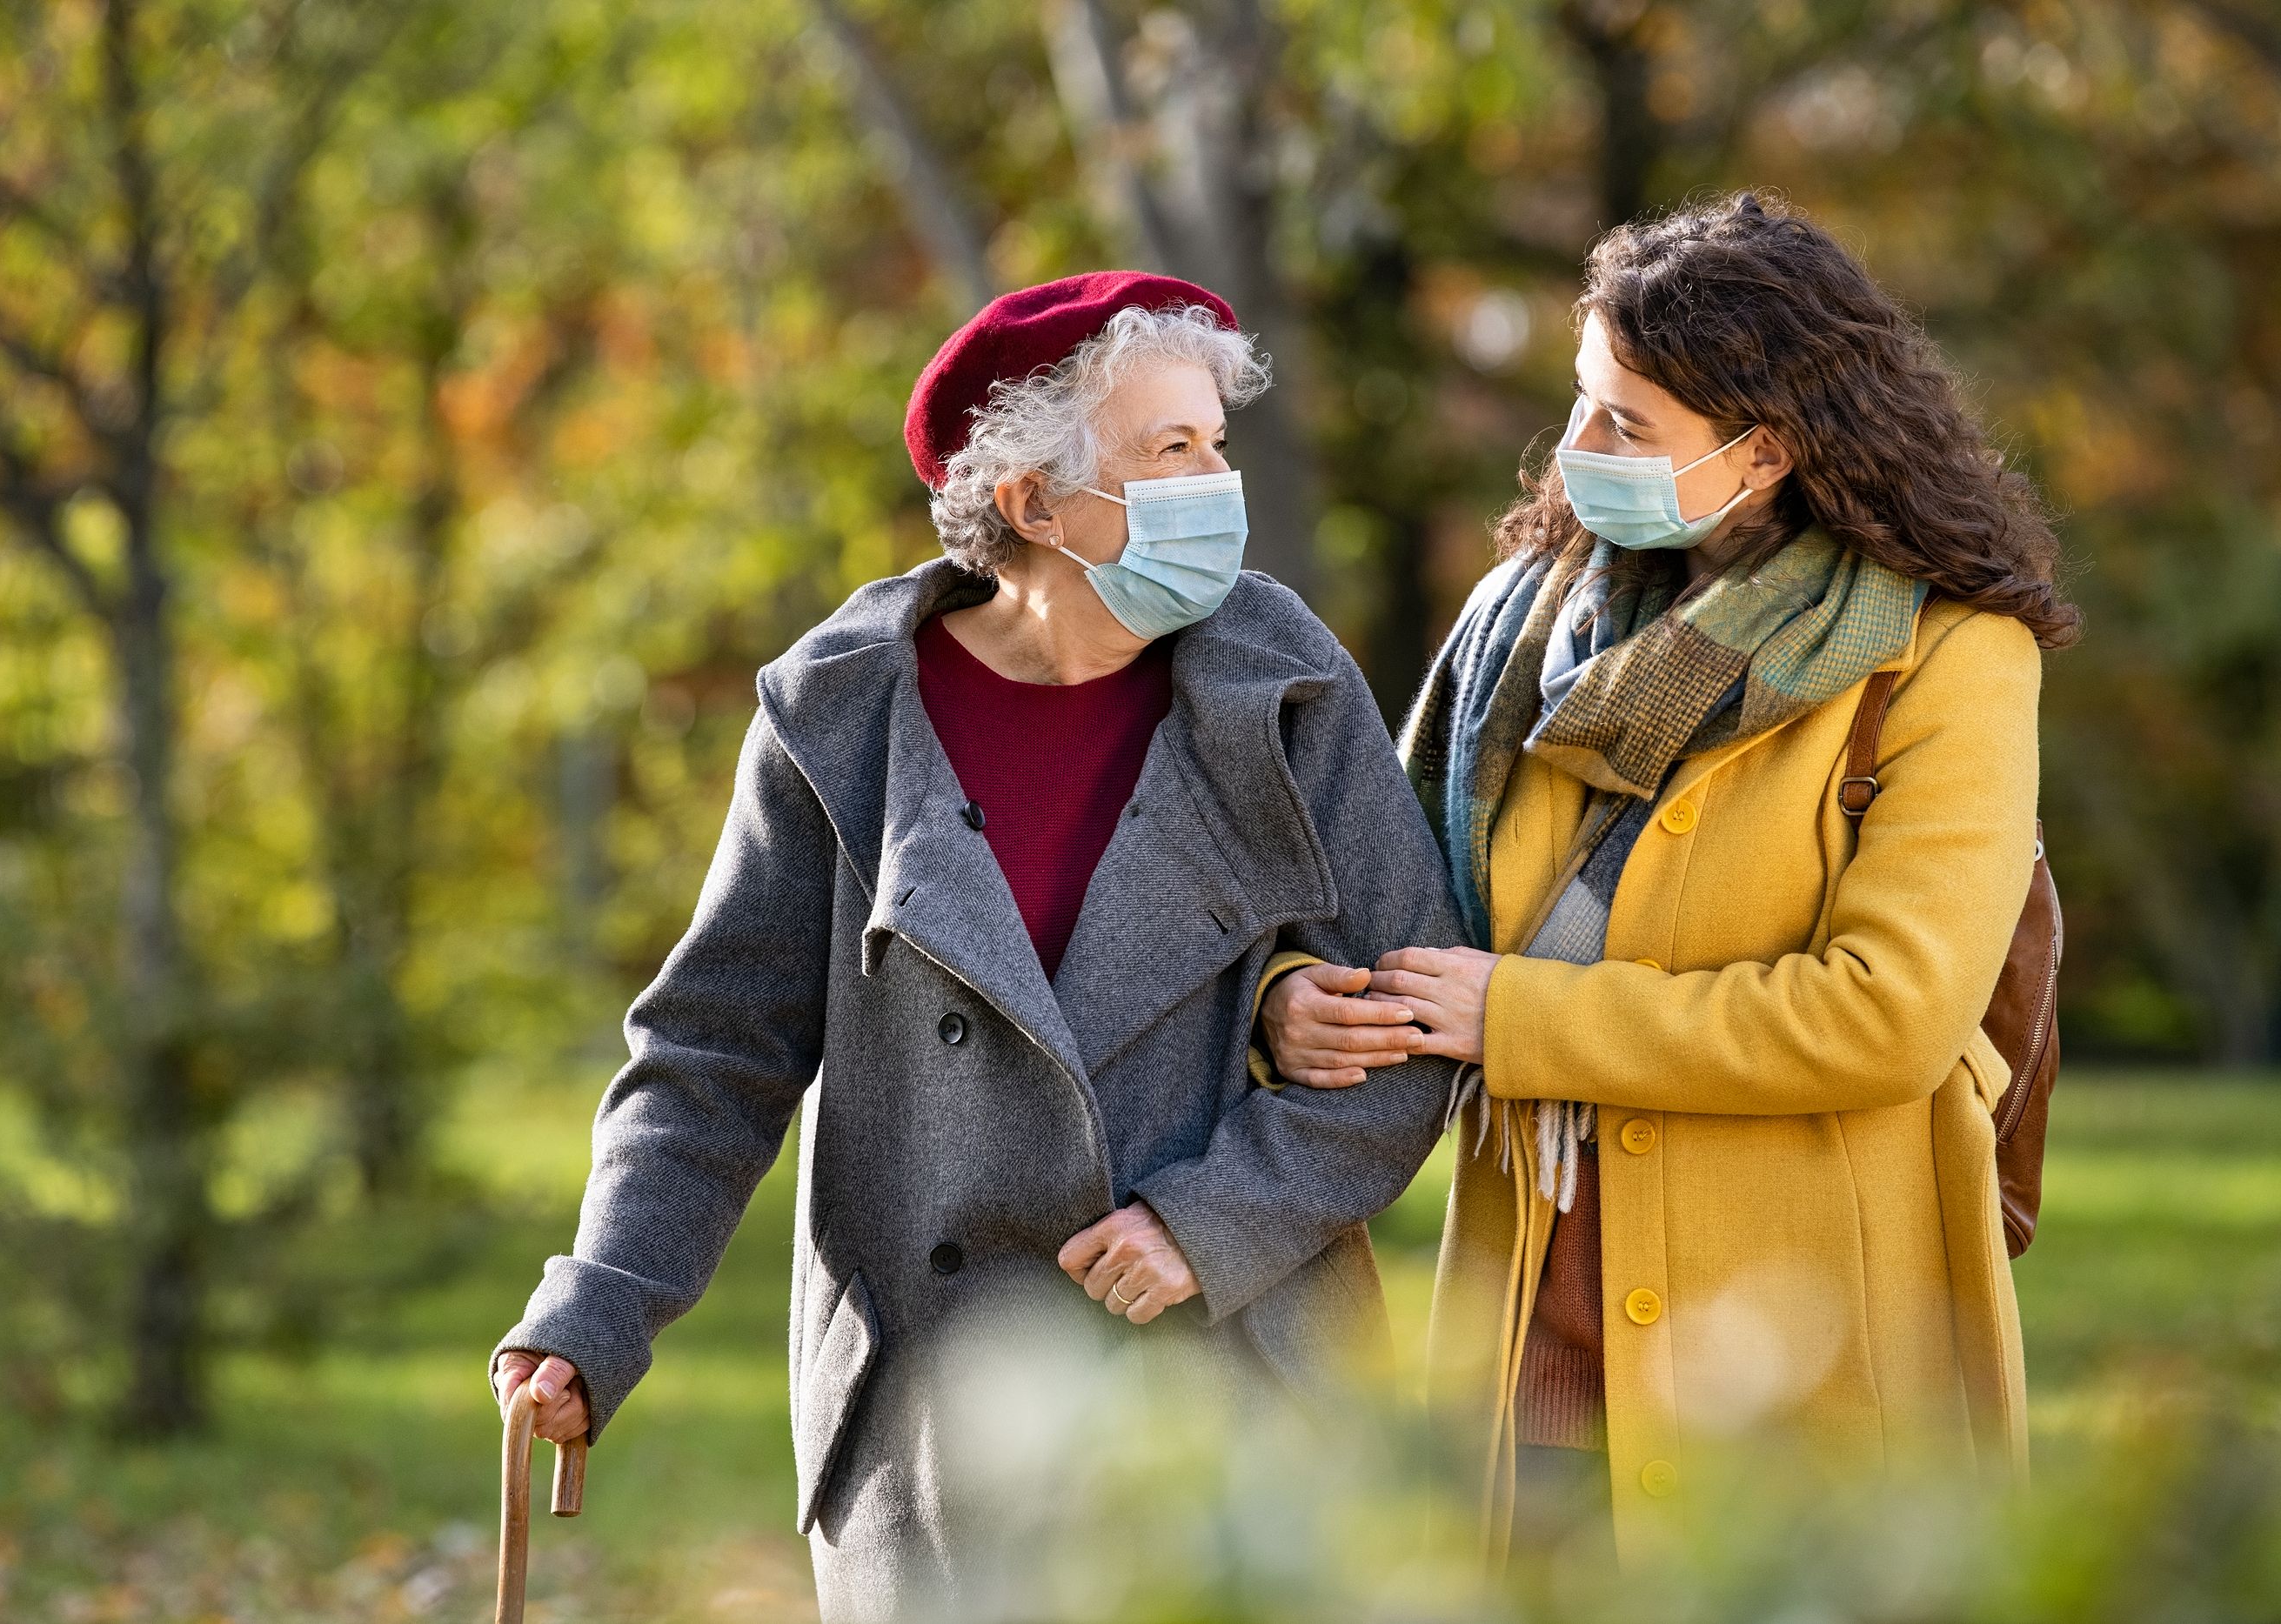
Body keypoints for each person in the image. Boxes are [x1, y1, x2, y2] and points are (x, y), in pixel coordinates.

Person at [490, 271, 1464, 1620]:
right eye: (1169, 451)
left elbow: (1419, 1016)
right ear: (1033, 501)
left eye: (1215, 446)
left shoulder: (1285, 681)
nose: (1214, 486)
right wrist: (596, 1307)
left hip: (1241, 1391)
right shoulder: (838, 716)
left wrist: (1217, 1219)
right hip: (934, 1420)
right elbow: (715, 1053)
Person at [1261, 193, 2078, 1563]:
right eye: (1582, 404)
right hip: (1532, 1329)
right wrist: (1296, 997)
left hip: (1806, 1349)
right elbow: (1372, 899)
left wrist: (1518, 1021)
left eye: (1625, 425)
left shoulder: (1950, 658)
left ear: (1763, 453)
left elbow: (1888, 1013)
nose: (1576, 452)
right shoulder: (1524, 633)